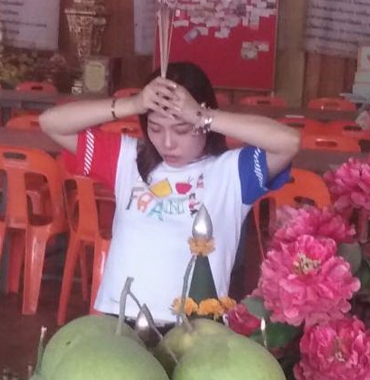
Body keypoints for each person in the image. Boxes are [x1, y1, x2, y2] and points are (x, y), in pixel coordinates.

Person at [40, 62, 301, 325]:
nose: (167, 143)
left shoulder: (232, 172)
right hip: (121, 318)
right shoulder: (128, 158)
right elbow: (51, 123)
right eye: (155, 128)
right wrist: (133, 104)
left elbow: (288, 142)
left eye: (181, 130)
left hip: (195, 325)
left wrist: (200, 115)